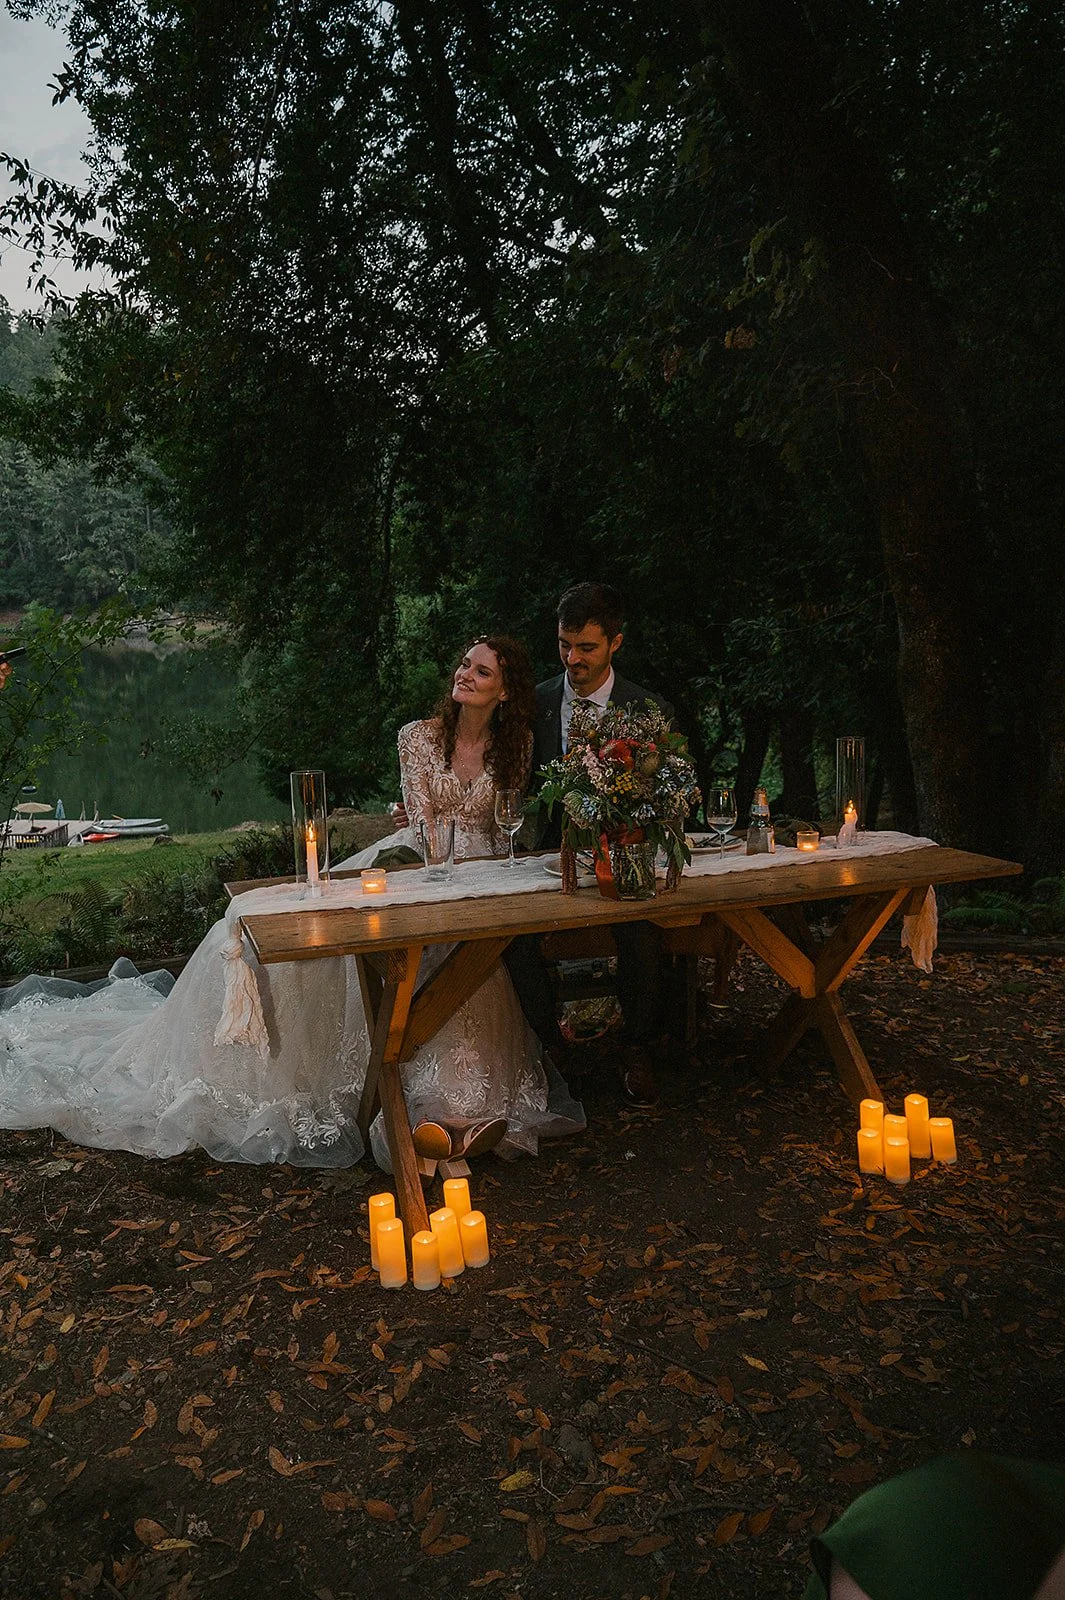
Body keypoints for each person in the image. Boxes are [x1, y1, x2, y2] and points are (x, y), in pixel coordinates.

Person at [0, 635, 584, 1170]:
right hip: (419, 864)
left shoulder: (519, 745)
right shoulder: (418, 737)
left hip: (487, 871)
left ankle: (461, 1112)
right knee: (386, 948)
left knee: (478, 967)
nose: (465, 675)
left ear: (505, 692)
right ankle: (411, 1114)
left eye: (481, 672)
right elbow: (427, 826)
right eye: (463, 664)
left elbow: (505, 818)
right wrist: (449, 864)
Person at [503, 582, 675, 1106]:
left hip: (623, 857)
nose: (572, 659)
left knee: (644, 932)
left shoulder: (647, 709)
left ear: (616, 643)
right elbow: (502, 777)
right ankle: (549, 1051)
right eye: (564, 645)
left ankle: (639, 1045)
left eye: (586, 648)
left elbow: (667, 798)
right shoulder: (534, 705)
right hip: (545, 861)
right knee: (510, 938)